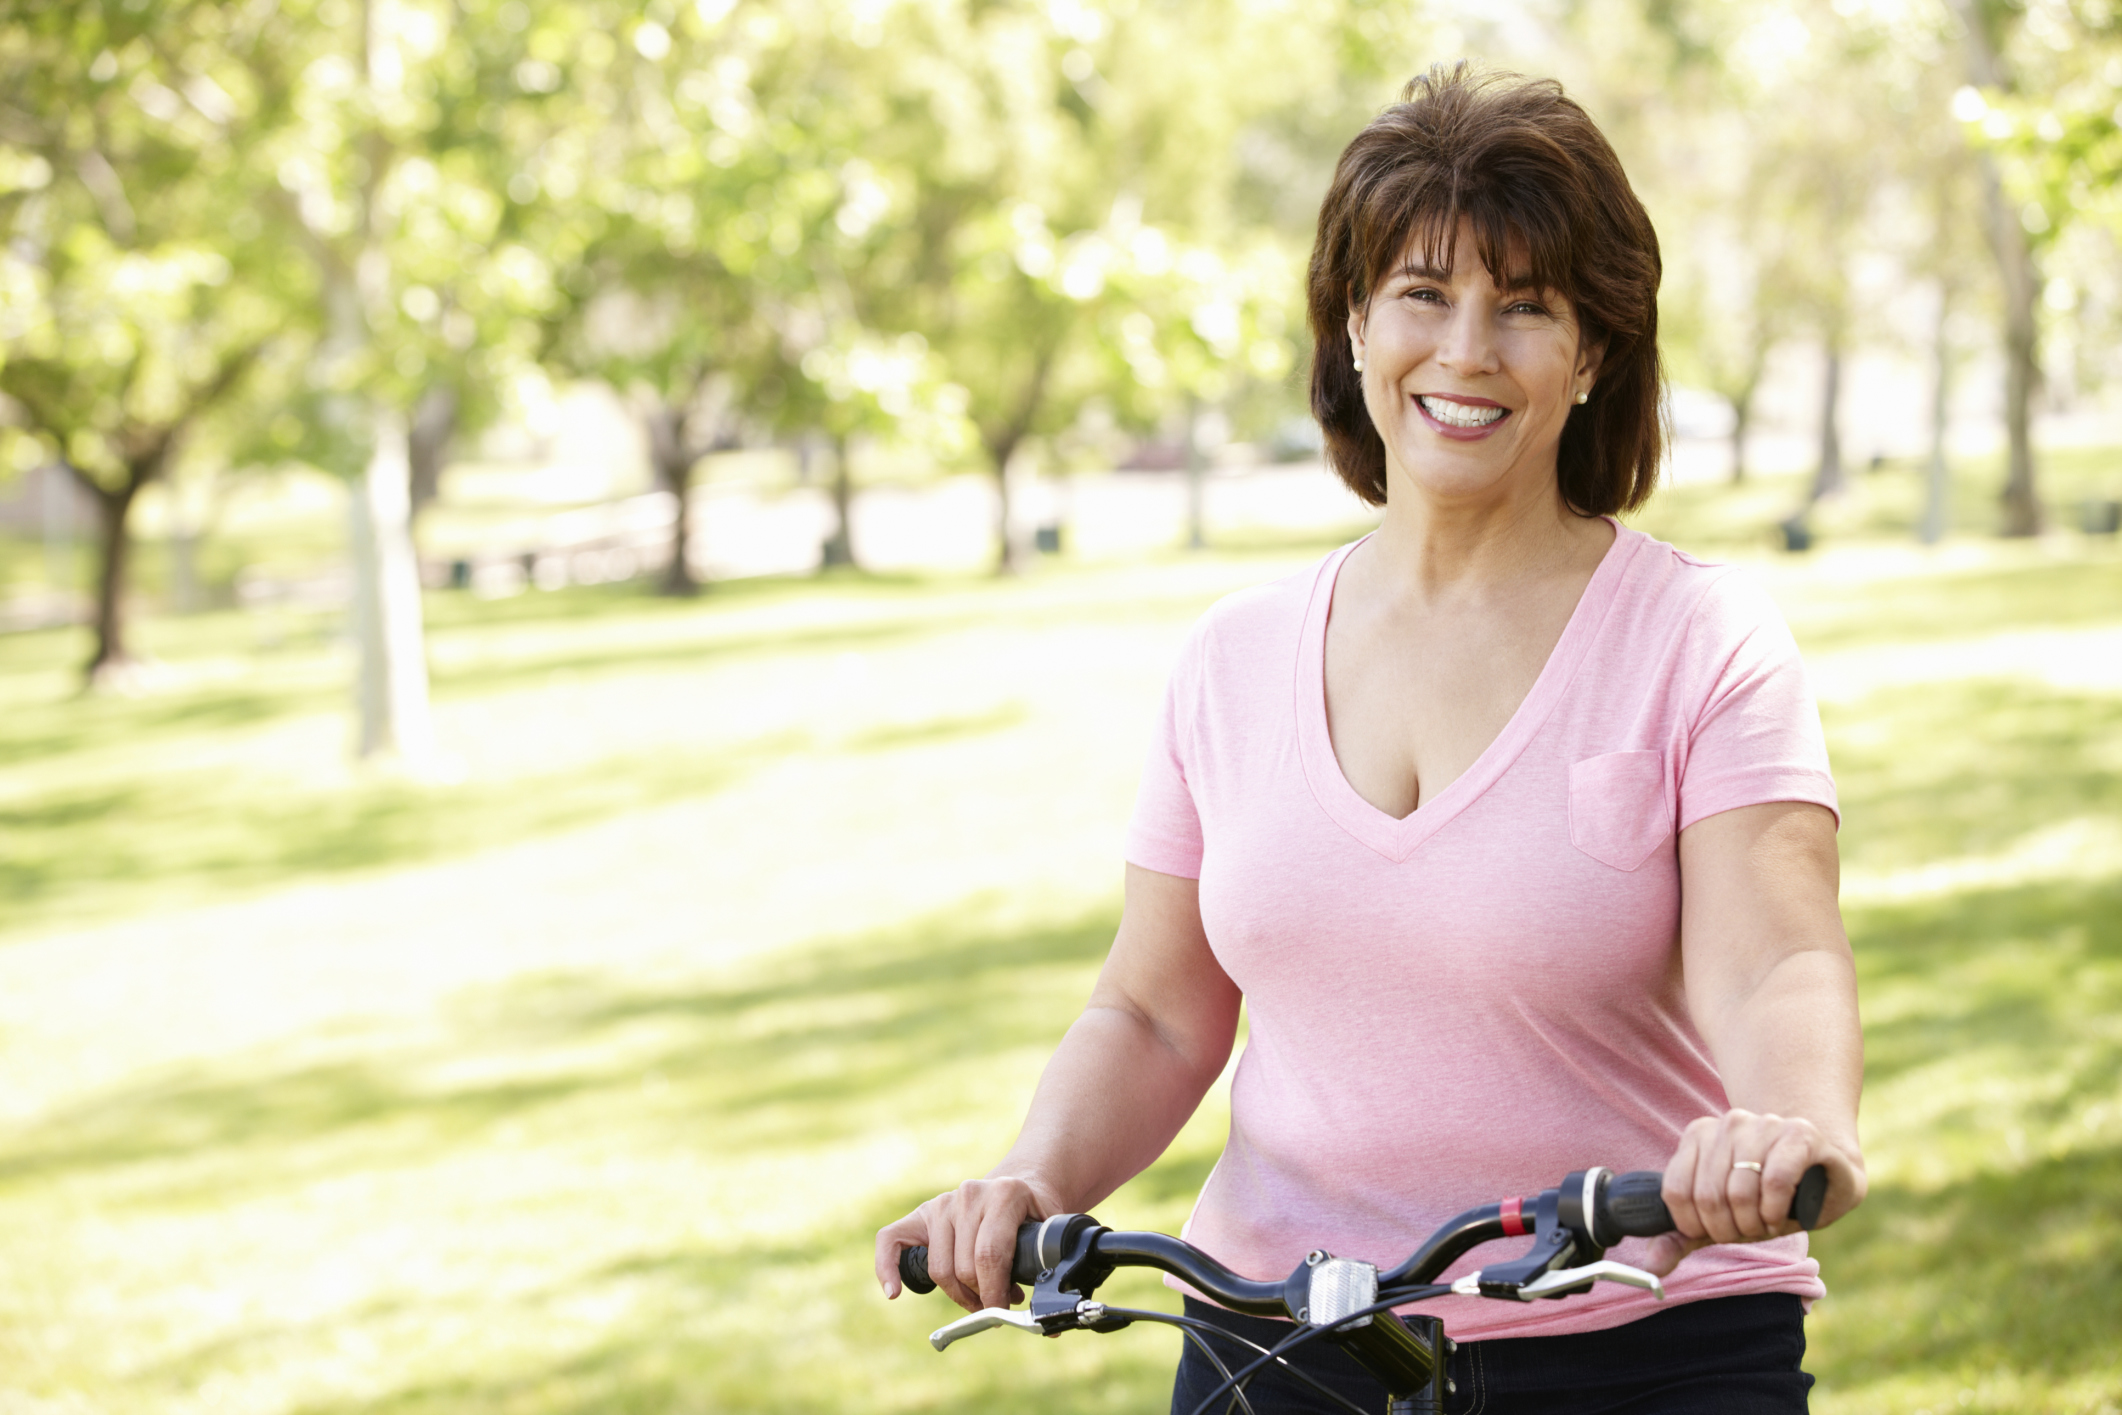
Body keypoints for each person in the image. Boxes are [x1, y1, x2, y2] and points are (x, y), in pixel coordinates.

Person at [874, 63, 1865, 1413]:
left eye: (1523, 308)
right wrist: (1031, 1179)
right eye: (1422, 293)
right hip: (1276, 1348)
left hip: (1640, 1344)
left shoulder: (1697, 641)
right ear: (1351, 324)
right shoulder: (1232, 659)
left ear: (1592, 354)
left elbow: (1774, 958)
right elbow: (1156, 1012)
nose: (1464, 351)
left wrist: (1786, 1128)